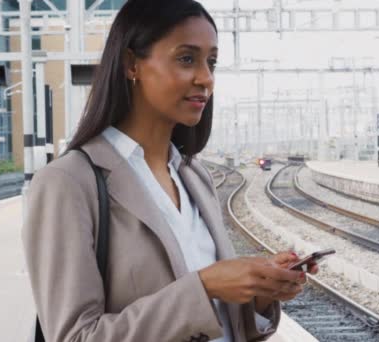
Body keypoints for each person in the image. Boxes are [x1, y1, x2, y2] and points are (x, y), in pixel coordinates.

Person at [22, 1, 317, 341]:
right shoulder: (69, 183)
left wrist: (260, 291)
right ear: (132, 64)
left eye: (212, 62)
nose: (206, 78)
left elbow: (217, 322)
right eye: (186, 58)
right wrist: (205, 286)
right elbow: (75, 336)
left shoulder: (193, 176)